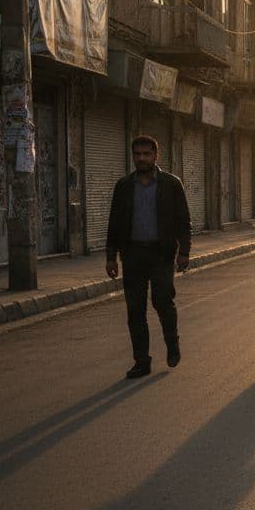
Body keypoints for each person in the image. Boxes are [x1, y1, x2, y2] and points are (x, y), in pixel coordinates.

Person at [104, 134, 191, 379]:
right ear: (132, 157)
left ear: (156, 156)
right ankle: (142, 361)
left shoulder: (171, 184)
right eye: (137, 154)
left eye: (146, 154)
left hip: (161, 254)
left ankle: (172, 345)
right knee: (135, 310)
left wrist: (184, 251)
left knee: (163, 301)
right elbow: (115, 224)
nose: (141, 158)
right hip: (131, 255)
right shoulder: (123, 186)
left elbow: (183, 221)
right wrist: (111, 257)